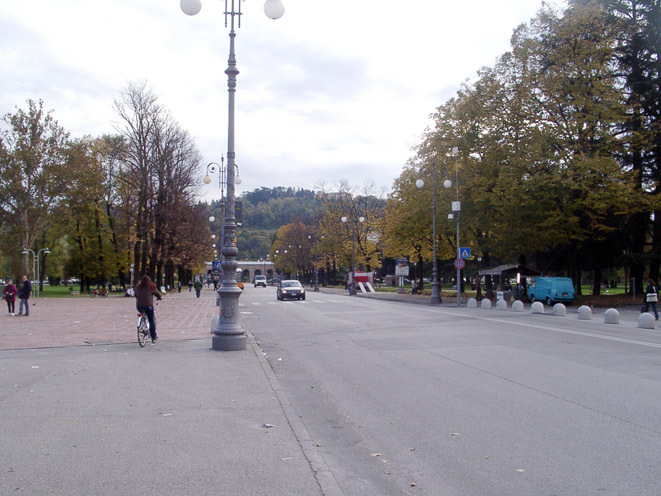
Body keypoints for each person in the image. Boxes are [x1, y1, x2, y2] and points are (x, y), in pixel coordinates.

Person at [134, 275, 162, 343]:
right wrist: (159, 297)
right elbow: (157, 294)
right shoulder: (151, 286)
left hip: (139, 306)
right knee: (151, 320)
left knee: (142, 313)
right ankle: (153, 337)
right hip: (148, 306)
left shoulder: (138, 287)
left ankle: (141, 325)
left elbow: (135, 295)